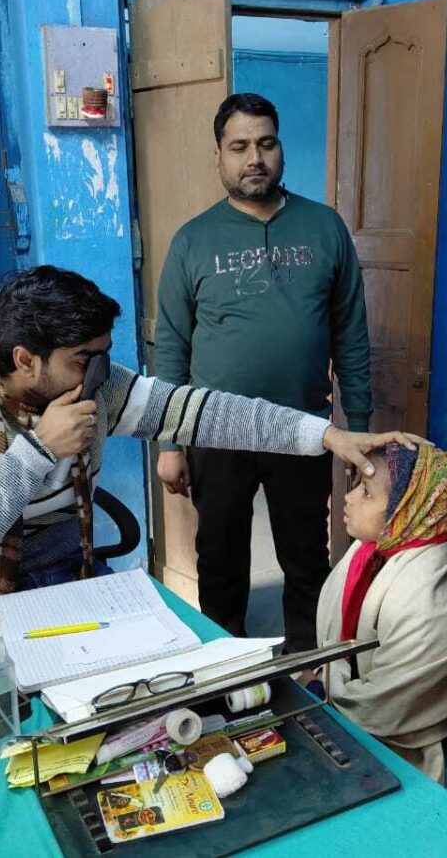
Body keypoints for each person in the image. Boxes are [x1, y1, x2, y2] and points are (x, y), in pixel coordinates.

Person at [0, 266, 409, 628]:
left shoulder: (99, 387)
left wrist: (325, 435)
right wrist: (40, 449)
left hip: (64, 569)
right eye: (83, 359)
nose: (99, 373)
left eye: (103, 356)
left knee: (146, 684)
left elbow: (206, 413)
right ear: (26, 360)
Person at [154, 92, 372, 651]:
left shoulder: (324, 228)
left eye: (266, 143)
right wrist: (171, 443)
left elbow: (351, 335)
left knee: (306, 554)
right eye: (239, 146)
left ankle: (308, 662)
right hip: (216, 430)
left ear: (281, 150)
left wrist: (360, 428)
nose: (254, 158)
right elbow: (172, 347)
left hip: (304, 428)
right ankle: (227, 663)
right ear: (219, 157)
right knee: (219, 556)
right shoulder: (193, 240)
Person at [313, 443, 447, 784]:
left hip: (402, 737)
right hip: (349, 696)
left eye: (367, 493)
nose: (349, 498)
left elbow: (387, 707)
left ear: (409, 512)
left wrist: (321, 687)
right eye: (358, 485)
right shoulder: (371, 553)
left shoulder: (425, 600)